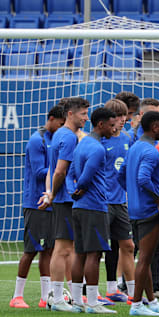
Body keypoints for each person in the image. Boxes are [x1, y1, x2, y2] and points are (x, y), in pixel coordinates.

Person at [10, 105, 65, 309]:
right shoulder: (37, 140)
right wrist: (62, 169)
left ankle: (45, 297)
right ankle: (17, 296)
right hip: (35, 204)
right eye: (59, 124)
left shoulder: (55, 138)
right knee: (30, 250)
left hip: (52, 203)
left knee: (48, 250)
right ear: (51, 119)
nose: (61, 128)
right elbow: (39, 172)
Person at [40, 97, 89, 312]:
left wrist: (50, 191)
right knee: (62, 249)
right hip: (66, 199)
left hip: (63, 198)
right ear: (70, 114)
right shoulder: (68, 137)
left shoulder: (60, 134)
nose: (86, 118)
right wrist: (52, 194)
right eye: (83, 114)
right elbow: (59, 170)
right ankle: (57, 298)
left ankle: (68, 297)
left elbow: (53, 170)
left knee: (68, 248)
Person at [121, 111, 159, 316]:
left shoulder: (134, 148)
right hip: (149, 211)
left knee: (146, 257)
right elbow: (143, 179)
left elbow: (121, 173)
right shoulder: (151, 151)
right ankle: (136, 305)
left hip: (134, 209)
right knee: (144, 259)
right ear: (153, 127)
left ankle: (151, 301)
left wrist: (131, 195)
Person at [68, 107, 118, 314]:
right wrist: (81, 187)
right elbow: (85, 177)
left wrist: (74, 192)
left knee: (79, 253)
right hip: (94, 206)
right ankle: (92, 302)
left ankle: (78, 300)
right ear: (101, 124)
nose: (114, 129)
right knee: (94, 255)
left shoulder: (82, 144)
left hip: (79, 206)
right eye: (112, 125)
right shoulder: (97, 149)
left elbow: (70, 173)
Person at [102, 99, 135, 304]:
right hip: (101, 203)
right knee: (97, 248)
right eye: (118, 116)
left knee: (127, 245)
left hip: (120, 202)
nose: (123, 120)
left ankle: (129, 292)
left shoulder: (126, 139)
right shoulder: (98, 141)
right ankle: (93, 290)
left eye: (125, 116)